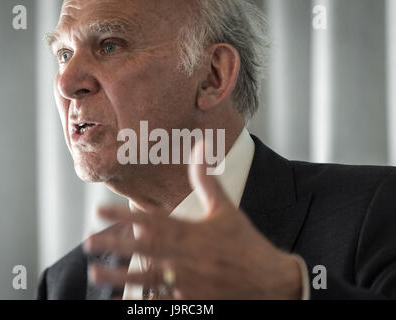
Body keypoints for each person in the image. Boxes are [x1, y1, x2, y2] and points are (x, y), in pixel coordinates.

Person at [36, 0, 396, 300]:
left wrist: (291, 290)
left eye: (110, 45)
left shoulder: (378, 211)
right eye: (64, 54)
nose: (67, 83)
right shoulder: (65, 284)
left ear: (213, 76)